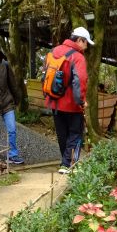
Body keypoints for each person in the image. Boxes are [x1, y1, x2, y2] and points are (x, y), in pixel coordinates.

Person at [44, 26, 93, 174]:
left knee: (62, 133)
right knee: (75, 134)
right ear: (79, 40)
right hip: (71, 104)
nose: (86, 46)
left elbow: (45, 75)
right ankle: (68, 165)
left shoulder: (53, 52)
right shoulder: (77, 57)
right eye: (86, 43)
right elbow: (80, 80)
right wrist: (81, 101)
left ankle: (64, 163)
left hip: (55, 102)